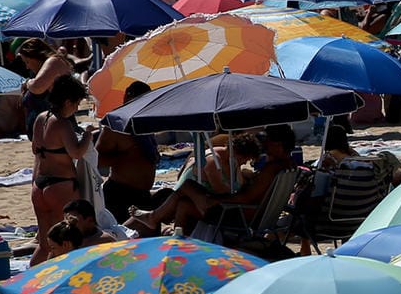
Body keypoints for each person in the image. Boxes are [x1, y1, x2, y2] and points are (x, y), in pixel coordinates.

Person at [126, 124, 297, 237]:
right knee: (186, 194)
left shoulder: (271, 169)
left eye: (269, 142)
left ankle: (170, 234)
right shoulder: (287, 166)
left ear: (279, 145)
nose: (265, 145)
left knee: (186, 193)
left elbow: (246, 197)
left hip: (239, 214)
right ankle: (159, 222)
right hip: (251, 213)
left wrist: (217, 199)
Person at [29, 75, 91, 263]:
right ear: (67, 101)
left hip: (39, 186)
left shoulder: (40, 119)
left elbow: (35, 151)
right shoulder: (62, 123)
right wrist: (88, 135)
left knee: (45, 242)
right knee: (67, 240)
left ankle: (30, 277)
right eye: (76, 103)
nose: (77, 108)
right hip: (60, 186)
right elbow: (77, 153)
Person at [96, 81, 161, 220]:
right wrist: (125, 157)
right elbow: (97, 159)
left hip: (142, 194)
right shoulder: (115, 125)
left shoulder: (145, 124)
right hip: (120, 194)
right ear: (127, 98)